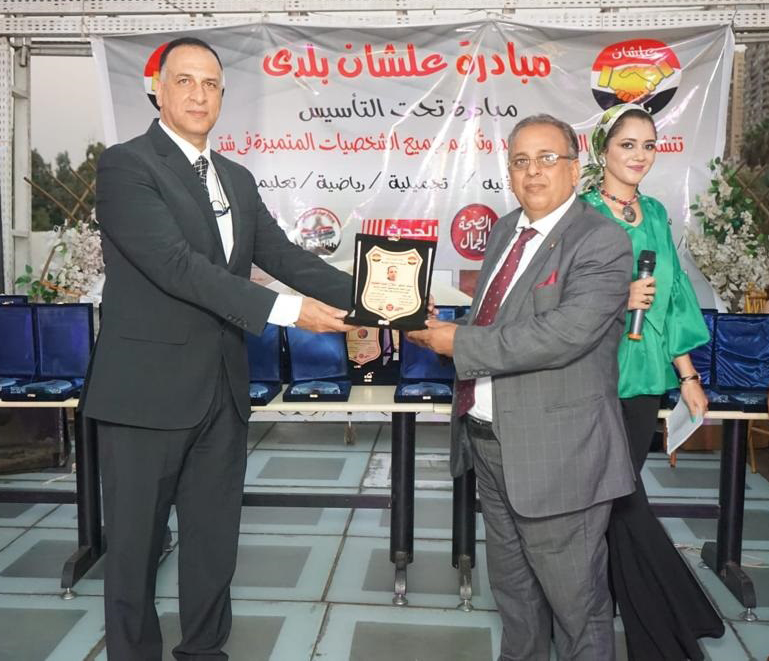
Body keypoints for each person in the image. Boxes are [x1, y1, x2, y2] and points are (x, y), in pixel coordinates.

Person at [81, 37, 353, 660]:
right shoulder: (126, 166)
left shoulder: (236, 177)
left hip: (222, 394)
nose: (199, 95)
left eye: (211, 84)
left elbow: (286, 259)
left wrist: (386, 302)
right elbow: (177, 267)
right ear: (157, 90)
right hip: (144, 397)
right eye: (185, 81)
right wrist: (289, 313)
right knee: (134, 554)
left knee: (212, 547)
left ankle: (205, 652)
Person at [409, 114, 635, 660]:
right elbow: (496, 323)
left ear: (575, 169)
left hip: (558, 456)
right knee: (515, 599)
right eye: (520, 161)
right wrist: (432, 325)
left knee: (578, 610)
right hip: (489, 444)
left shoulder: (602, 240)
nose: (533, 172)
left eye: (547, 158)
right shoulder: (506, 231)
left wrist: (458, 341)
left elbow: (563, 335)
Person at [580, 102, 725, 660]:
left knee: (618, 499)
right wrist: (617, 298)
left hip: (644, 380)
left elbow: (675, 299)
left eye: (648, 145)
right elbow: (561, 295)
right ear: (603, 150)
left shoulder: (658, 214)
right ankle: (672, 625)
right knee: (621, 499)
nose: (640, 155)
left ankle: (660, 617)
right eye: (627, 144)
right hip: (591, 375)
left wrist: (687, 375)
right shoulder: (582, 213)